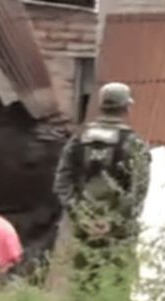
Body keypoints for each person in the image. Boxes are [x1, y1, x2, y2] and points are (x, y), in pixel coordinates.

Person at [53, 82, 151, 283]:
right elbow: (139, 190)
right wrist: (113, 222)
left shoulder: (79, 139)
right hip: (119, 232)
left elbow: (62, 183)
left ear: (101, 105)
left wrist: (82, 218)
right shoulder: (134, 143)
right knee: (117, 286)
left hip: (84, 228)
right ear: (126, 107)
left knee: (83, 286)